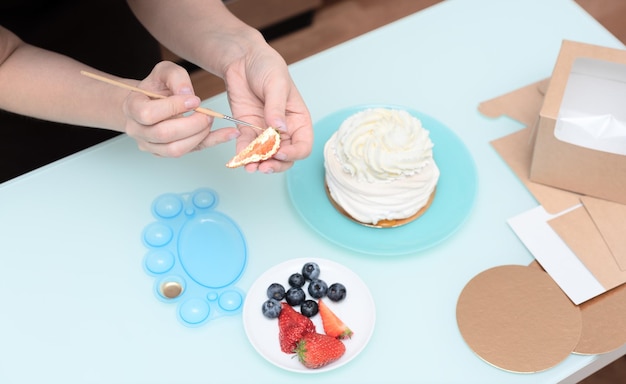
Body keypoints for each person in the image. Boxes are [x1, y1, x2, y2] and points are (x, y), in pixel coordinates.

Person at [0, 0, 313, 181]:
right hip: (25, 105)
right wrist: (121, 105)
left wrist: (240, 52)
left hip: (114, 33)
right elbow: (5, 58)